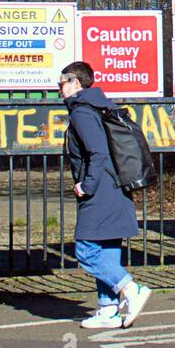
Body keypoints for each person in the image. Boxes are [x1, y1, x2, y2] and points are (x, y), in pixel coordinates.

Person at [60, 61, 152, 329]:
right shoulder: (99, 105)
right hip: (115, 188)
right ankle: (108, 310)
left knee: (86, 250)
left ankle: (131, 290)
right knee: (107, 250)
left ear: (77, 83)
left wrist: (86, 185)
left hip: (100, 191)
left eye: (63, 82)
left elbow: (97, 152)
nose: (59, 87)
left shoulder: (81, 112)